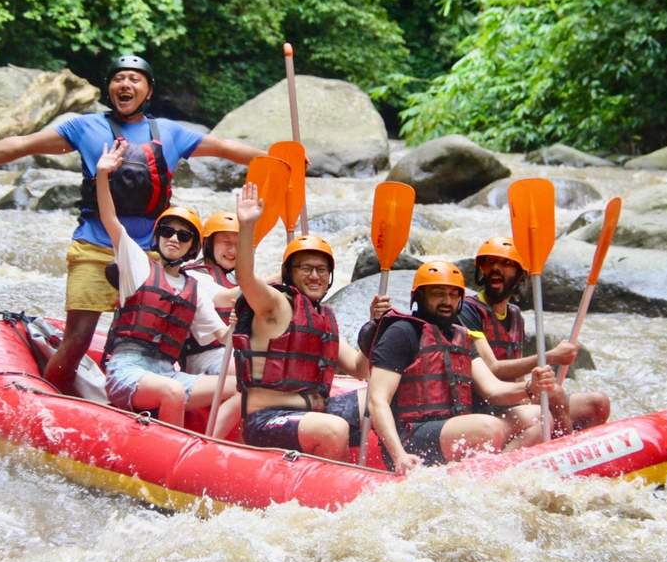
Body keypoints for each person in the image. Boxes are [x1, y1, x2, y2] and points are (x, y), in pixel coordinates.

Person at [0, 55, 265, 393]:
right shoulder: (84, 127)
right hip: (94, 247)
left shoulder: (170, 133)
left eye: (134, 79)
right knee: (78, 339)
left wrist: (278, 159)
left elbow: (225, 147)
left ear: (148, 91)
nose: (125, 84)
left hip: (149, 256)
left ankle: (145, 397)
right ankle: (51, 399)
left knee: (152, 341)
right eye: (118, 79)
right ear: (108, 88)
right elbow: (22, 145)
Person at [365, 261, 565, 474]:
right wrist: (399, 455)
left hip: (456, 427)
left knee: (540, 416)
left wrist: (530, 387)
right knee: (488, 428)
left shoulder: (461, 336)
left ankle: (495, 475)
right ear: (419, 297)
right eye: (438, 294)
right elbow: (377, 400)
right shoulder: (402, 333)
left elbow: (493, 390)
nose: (447, 301)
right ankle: (484, 473)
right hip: (411, 436)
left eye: (453, 295)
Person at [224, 183, 371, 460]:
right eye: (306, 268)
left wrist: (373, 330)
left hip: (314, 414)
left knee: (376, 399)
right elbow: (246, 278)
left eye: (322, 270)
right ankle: (338, 478)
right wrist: (247, 226)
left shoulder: (322, 318)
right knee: (334, 429)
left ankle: (395, 467)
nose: (315, 276)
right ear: (289, 274)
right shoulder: (276, 305)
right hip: (267, 420)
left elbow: (359, 368)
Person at [94, 140, 234, 426]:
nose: (174, 239)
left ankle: (211, 444)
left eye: (184, 236)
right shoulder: (137, 264)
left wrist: (237, 326)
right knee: (173, 392)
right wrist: (102, 175)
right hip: (128, 370)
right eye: (168, 231)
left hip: (169, 373)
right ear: (158, 236)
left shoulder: (194, 288)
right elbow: (110, 219)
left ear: (193, 246)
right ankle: (176, 449)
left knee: (240, 386)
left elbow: (223, 336)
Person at [459, 237, 610, 433]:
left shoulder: (515, 315)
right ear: (482, 269)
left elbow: (518, 376)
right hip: (487, 406)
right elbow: (492, 368)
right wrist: (550, 357)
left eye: (506, 263)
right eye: (490, 262)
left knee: (597, 403)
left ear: (521, 275)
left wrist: (536, 391)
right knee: (552, 400)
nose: (496, 268)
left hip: (515, 399)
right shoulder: (467, 310)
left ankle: (570, 443)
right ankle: (562, 442)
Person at [180, 211, 240, 376]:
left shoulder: (238, 279)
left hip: (234, 351)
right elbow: (226, 297)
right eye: (226, 242)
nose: (233, 250)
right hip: (202, 356)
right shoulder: (192, 274)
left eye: (238, 244)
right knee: (248, 370)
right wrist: (276, 279)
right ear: (208, 243)